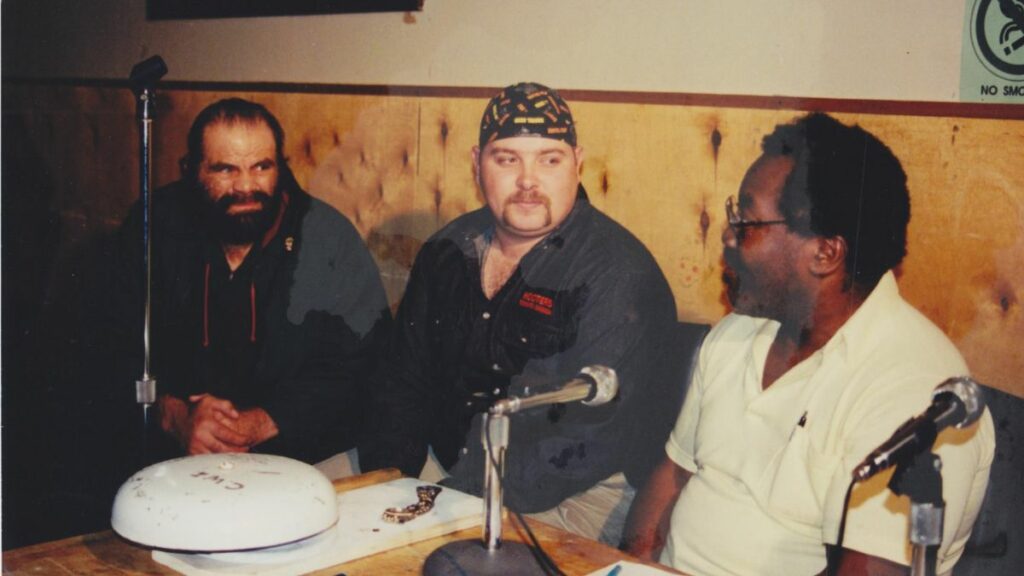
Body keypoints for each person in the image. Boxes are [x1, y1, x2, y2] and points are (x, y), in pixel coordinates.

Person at [623, 113, 995, 575]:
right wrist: (628, 568)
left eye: (746, 220)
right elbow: (672, 476)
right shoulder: (736, 334)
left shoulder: (913, 388)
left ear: (825, 253)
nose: (727, 234)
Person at [358, 82, 679, 544]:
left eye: (550, 159)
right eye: (507, 159)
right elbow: (399, 380)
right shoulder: (447, 249)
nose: (528, 181)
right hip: (446, 466)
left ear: (577, 163)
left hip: (572, 493)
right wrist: (391, 482)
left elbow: (588, 441)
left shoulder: (618, 273)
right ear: (476, 164)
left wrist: (448, 504)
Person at [105, 98, 390, 464]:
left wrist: (266, 421)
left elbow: (366, 363)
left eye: (261, 167)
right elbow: (107, 347)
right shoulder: (154, 228)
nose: (245, 186)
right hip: (170, 451)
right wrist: (172, 415)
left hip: (298, 454)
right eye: (225, 169)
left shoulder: (326, 238)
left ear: (281, 169)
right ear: (191, 170)